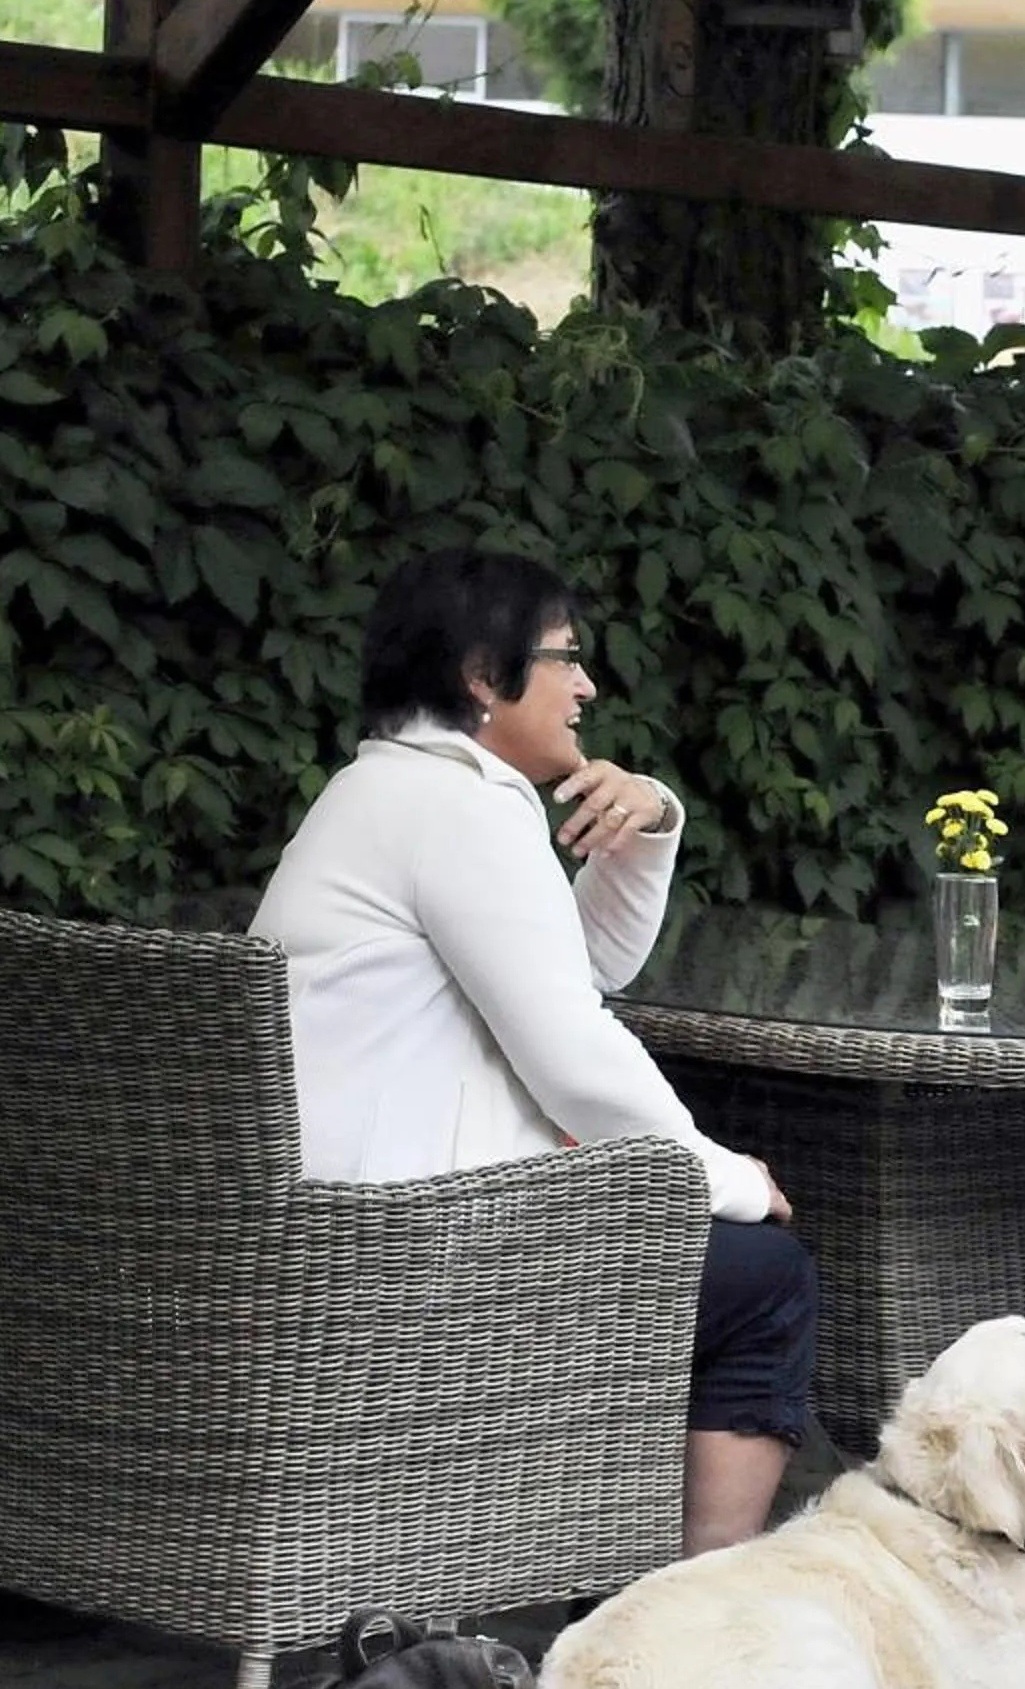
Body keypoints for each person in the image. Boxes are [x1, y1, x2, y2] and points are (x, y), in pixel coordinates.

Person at [253, 546, 817, 1558]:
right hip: (397, 1265)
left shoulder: (391, 788)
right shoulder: (458, 807)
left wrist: (648, 828)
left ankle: (618, 1597)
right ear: (481, 673)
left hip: (316, 1241)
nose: (586, 685)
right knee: (762, 1275)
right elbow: (572, 1054)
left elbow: (577, 966)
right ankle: (680, 1633)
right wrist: (721, 1175)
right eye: (564, 657)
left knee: (700, 1260)